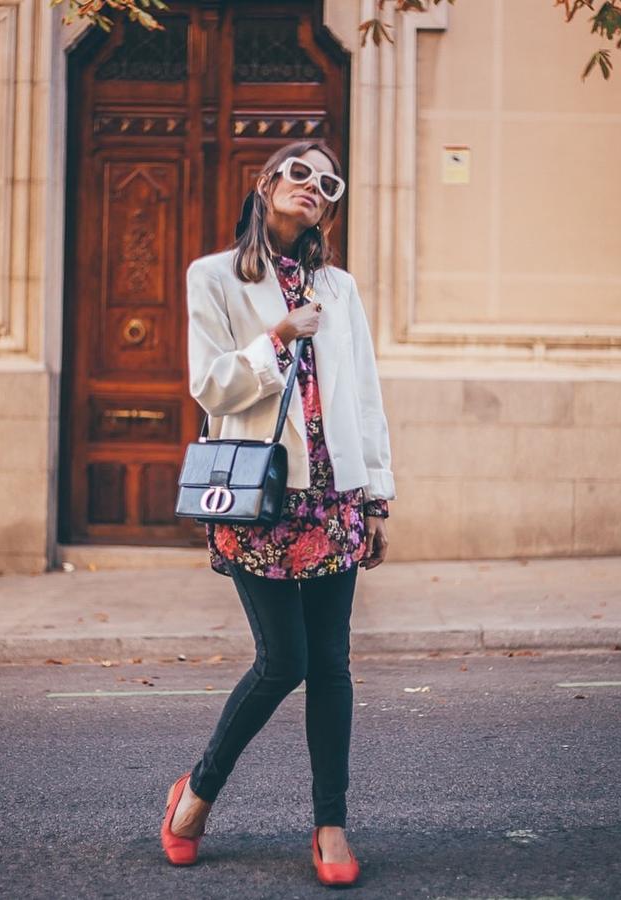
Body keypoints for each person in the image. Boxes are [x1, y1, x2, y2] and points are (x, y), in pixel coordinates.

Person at [161, 140, 395, 888]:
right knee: (282, 662)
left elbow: (364, 394)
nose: (314, 186)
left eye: (329, 182)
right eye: (300, 172)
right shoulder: (213, 277)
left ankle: (331, 823)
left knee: (331, 664)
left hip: (333, 499)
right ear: (265, 183)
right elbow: (210, 386)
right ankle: (197, 792)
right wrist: (277, 339)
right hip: (260, 500)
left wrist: (377, 496)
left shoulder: (339, 288)